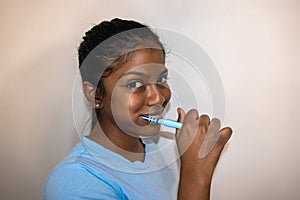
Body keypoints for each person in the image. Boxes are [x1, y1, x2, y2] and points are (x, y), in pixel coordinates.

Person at [43, 18, 232, 200]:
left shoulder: (156, 149)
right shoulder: (76, 182)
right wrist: (196, 176)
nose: (158, 97)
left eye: (161, 80)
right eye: (134, 84)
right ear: (95, 95)